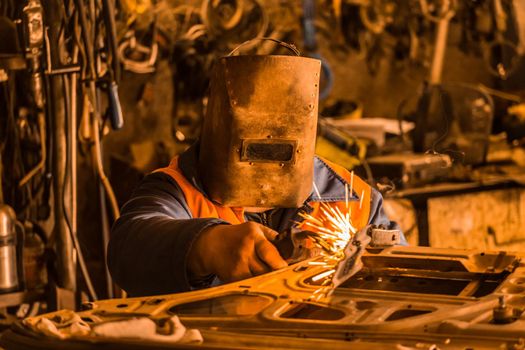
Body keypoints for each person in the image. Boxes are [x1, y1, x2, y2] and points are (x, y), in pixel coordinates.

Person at [108, 54, 404, 297]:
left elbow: (403, 280)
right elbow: (127, 249)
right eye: (255, 148)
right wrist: (207, 245)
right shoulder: (176, 191)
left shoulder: (351, 198)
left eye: (280, 148)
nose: (267, 155)